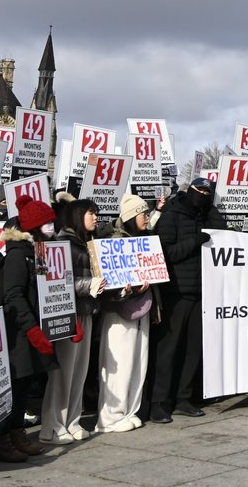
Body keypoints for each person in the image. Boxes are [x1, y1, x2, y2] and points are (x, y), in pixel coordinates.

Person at [150, 177, 226, 422]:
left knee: (193, 350)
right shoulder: (172, 215)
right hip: (177, 292)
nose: (204, 195)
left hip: (202, 292)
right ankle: (160, 402)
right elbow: (166, 252)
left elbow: (222, 232)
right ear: (190, 191)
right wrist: (194, 242)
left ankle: (184, 398)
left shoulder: (204, 214)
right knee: (168, 351)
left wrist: (210, 207)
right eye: (200, 191)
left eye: (208, 193)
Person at [0, 199, 57, 461]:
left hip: (33, 325)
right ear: (33, 226)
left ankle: (17, 433)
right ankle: (2, 440)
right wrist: (31, 328)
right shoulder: (18, 254)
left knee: (25, 383)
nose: (52, 226)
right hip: (19, 330)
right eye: (47, 222)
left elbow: (47, 288)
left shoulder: (39, 250)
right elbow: (14, 295)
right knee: (14, 384)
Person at [39, 199, 101, 444]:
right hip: (66, 314)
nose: (96, 218)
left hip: (86, 312)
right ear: (77, 215)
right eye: (91, 213)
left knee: (79, 372)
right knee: (61, 373)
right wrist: (89, 286)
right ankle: (52, 425)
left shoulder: (86, 243)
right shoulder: (60, 243)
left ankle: (71, 420)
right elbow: (54, 281)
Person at [94, 195, 155, 433]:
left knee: (138, 359)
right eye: (143, 214)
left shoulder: (146, 239)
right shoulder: (113, 239)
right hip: (118, 309)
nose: (147, 218)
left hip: (141, 306)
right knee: (119, 361)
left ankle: (129, 409)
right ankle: (110, 415)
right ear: (131, 216)